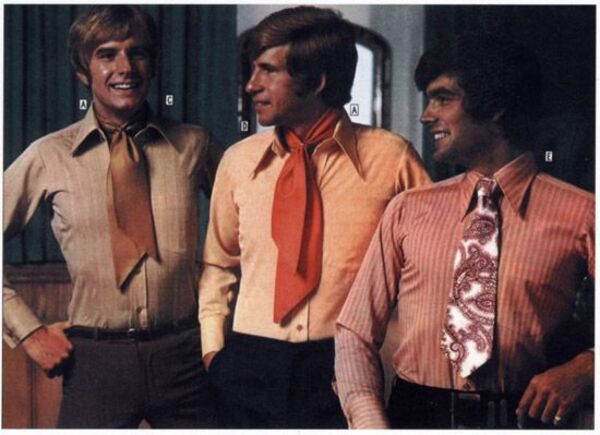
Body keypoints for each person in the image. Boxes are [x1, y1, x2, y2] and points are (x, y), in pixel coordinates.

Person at [334, 33, 594, 429]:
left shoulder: (583, 213)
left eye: (443, 98)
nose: (426, 116)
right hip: (413, 416)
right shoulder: (408, 209)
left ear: (495, 106)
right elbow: (354, 330)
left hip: (521, 420)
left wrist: (587, 368)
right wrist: (370, 422)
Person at [198, 6, 430, 429]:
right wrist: (214, 353)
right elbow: (219, 265)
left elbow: (432, 267)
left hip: (341, 367)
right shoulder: (237, 162)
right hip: (246, 366)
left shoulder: (392, 159)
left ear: (317, 81)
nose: (251, 85)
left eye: (269, 71)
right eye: (253, 69)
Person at [3, 5, 221, 428]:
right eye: (107, 54)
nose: (126, 67)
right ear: (82, 70)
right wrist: (28, 330)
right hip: (94, 363)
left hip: (187, 358)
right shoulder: (48, 156)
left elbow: (256, 219)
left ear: (152, 63)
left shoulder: (194, 144)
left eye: (137, 52)